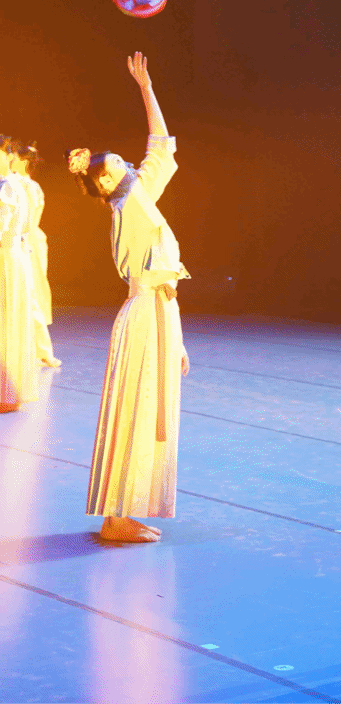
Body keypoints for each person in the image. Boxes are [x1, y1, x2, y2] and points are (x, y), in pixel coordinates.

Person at [66, 52, 190, 543]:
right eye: (120, 164)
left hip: (157, 312)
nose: (132, 166)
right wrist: (144, 89)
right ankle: (117, 517)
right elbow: (157, 151)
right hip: (144, 317)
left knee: (146, 410)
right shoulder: (128, 203)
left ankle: (123, 512)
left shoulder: (133, 199)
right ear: (106, 181)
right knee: (137, 411)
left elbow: (160, 149)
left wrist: (147, 87)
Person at [11, 140, 61, 369]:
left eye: (14, 157)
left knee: (30, 296)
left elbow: (27, 221)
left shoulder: (26, 186)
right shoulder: (15, 183)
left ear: (22, 161)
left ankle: (42, 350)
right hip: (19, 241)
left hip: (25, 243)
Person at [0, 135, 37, 413]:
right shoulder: (14, 185)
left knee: (6, 323)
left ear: (9, 155)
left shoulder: (7, 186)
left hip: (6, 258)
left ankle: (6, 392)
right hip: (12, 256)